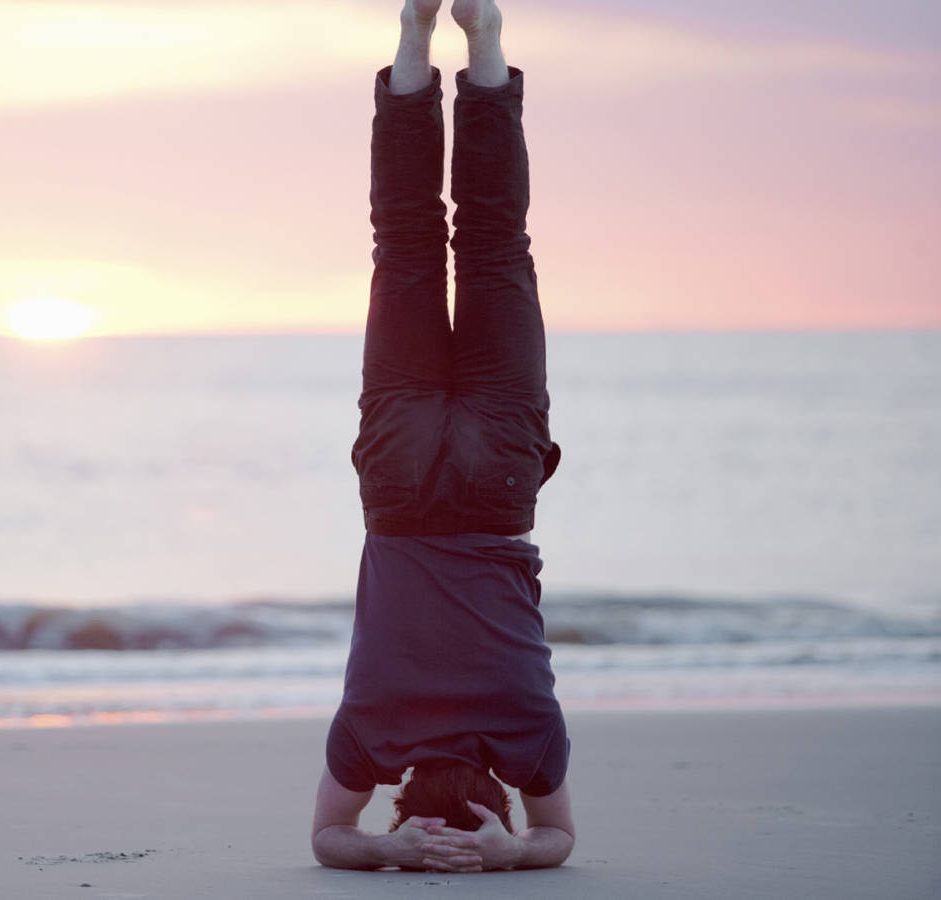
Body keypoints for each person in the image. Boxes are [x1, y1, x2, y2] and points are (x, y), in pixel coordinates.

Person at [309, 0, 576, 873]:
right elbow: (326, 841)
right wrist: (393, 855)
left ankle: (486, 41)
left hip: (496, 485)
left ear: (497, 793)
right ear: (397, 797)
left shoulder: (530, 738)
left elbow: (560, 840)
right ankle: (417, 41)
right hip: (397, 486)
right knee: (408, 246)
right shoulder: (369, 739)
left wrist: (508, 853)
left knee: (497, 247)